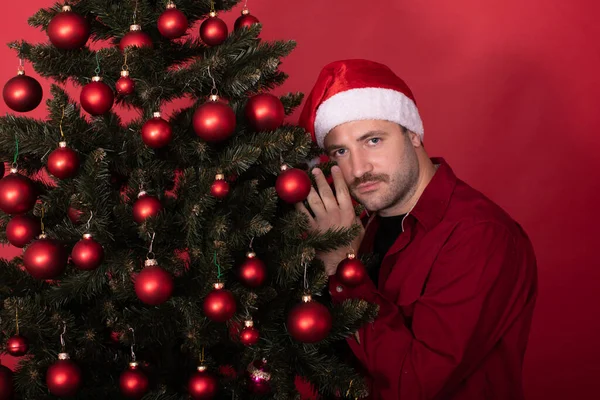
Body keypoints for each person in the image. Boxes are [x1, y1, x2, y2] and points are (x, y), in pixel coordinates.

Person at [296, 59, 538, 400]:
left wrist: (342, 267)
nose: (358, 169)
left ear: (413, 134)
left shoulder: (479, 235)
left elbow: (415, 384)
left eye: (373, 141)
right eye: (341, 151)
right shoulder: (364, 225)